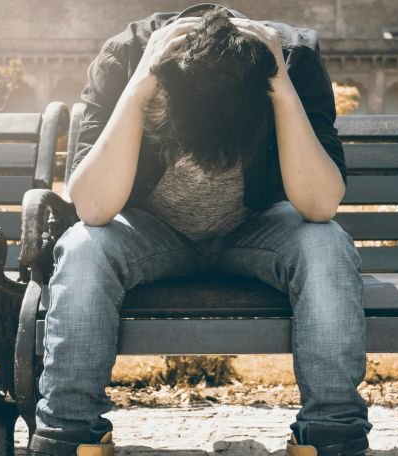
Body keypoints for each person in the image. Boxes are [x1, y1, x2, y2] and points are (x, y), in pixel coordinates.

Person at [31, 3, 371, 455]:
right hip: (151, 233)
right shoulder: (126, 57)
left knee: (326, 245)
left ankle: (331, 433)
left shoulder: (292, 61)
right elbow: (92, 207)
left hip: (257, 230)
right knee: (83, 248)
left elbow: (320, 203)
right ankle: (69, 433)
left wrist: (282, 90)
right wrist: (138, 90)